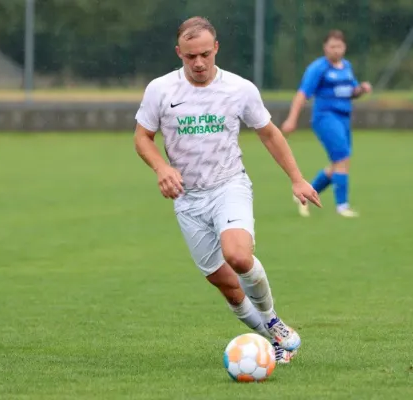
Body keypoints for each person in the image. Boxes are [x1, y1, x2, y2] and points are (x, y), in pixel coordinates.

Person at [133, 16, 321, 364]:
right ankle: (271, 340)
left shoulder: (240, 89)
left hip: (228, 185)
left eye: (205, 53)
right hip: (187, 199)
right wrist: (162, 168)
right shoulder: (160, 90)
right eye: (190, 57)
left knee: (237, 256)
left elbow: (268, 133)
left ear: (216, 48)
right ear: (179, 53)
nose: (199, 63)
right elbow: (142, 137)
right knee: (227, 285)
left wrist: (296, 178)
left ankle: (273, 322)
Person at [282, 29, 372, 218]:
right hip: (325, 118)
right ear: (325, 47)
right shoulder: (318, 68)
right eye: (332, 46)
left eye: (339, 46)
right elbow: (302, 94)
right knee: (342, 160)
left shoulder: (346, 66)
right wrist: (292, 119)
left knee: (338, 164)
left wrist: (361, 89)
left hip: (344, 118)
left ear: (345, 47)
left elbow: (351, 92)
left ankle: (305, 193)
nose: (336, 50)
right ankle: (342, 206)